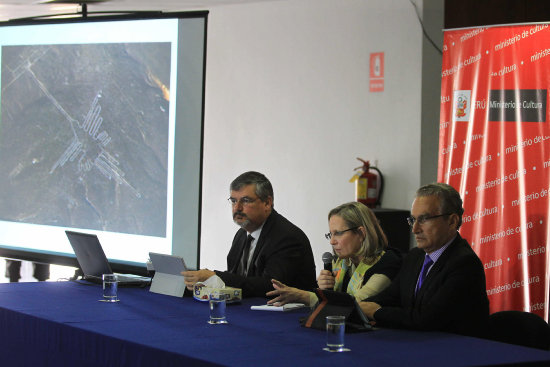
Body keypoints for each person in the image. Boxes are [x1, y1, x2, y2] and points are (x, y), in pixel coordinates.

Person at [359, 183, 489, 337]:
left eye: (424, 219)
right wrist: (357, 307)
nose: (415, 229)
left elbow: (427, 319)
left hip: (455, 352)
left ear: (452, 221)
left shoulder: (465, 264)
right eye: (413, 220)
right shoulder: (415, 256)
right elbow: (390, 297)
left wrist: (377, 312)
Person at [182, 171, 316, 297]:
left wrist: (214, 276)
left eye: (245, 200)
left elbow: (269, 286)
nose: (237, 208)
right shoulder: (242, 235)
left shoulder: (287, 237)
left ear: (267, 203)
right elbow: (237, 278)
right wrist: (203, 279)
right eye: (233, 201)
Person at [266, 202, 402, 307]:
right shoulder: (341, 261)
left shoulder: (387, 262)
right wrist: (324, 289)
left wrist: (302, 296)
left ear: (361, 233)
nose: (332, 241)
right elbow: (331, 304)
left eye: (338, 233)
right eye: (330, 234)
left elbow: (356, 304)